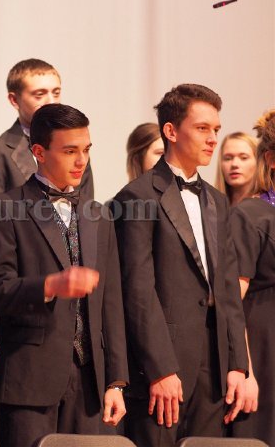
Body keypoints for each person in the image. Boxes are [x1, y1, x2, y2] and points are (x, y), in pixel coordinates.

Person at [0, 104, 128, 447]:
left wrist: (115, 381)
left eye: (86, 150)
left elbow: (111, 302)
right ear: (39, 152)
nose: (81, 161)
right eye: (70, 151)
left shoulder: (98, 215)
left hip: (89, 382)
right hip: (29, 377)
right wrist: (50, 285)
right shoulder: (4, 209)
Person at [113, 84, 249, 446]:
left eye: (216, 129)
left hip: (214, 366)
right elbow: (137, 291)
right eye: (202, 128)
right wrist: (160, 368)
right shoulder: (137, 196)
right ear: (171, 131)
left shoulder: (217, 201)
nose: (212, 139)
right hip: (163, 367)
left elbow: (227, 289)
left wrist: (237, 364)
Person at [0, 58, 93, 200]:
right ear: (14, 100)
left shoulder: (77, 150)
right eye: (39, 95)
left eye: (56, 93)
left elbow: (87, 206)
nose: (52, 102)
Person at [228, 109, 275, 446]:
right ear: (271, 160)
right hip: (264, 356)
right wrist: (244, 370)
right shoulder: (250, 214)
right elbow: (232, 301)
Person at [215, 132, 258, 205]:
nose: (234, 164)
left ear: (258, 161)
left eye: (243, 158)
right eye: (228, 158)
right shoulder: (210, 204)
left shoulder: (268, 204)